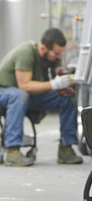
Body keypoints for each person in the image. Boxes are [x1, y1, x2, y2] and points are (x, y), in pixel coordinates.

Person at [0, 28, 83, 167]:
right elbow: (24, 86)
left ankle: (66, 148)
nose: (59, 57)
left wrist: (70, 79)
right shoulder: (26, 52)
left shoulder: (51, 57)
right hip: (5, 93)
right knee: (20, 95)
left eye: (61, 53)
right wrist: (54, 84)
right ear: (43, 48)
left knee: (67, 95)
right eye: (56, 53)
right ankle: (12, 151)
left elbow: (54, 81)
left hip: (26, 97)